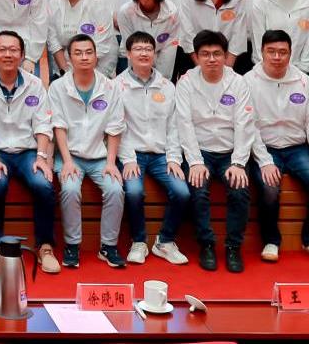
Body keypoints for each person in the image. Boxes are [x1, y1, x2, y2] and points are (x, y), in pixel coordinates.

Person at [0, 30, 61, 273]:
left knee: (43, 184)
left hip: (27, 151)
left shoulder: (34, 84)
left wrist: (41, 157)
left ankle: (45, 247)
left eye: (13, 50)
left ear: (22, 55)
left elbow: (43, 123)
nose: (7, 54)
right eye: (2, 50)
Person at [245, 30, 309, 264]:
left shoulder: (304, 81)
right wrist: (264, 161)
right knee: (269, 188)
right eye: (271, 51)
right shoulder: (248, 82)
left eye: (282, 52)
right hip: (264, 147)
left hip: (296, 148)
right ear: (261, 52)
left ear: (290, 54)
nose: (277, 57)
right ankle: (271, 241)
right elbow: (248, 126)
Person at [173, 31, 254, 272]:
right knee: (198, 190)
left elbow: (245, 124)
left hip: (231, 151)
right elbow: (184, 123)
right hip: (200, 151)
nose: (211, 59)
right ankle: (206, 245)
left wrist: (238, 162)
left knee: (240, 190)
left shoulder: (238, 82)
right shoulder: (186, 82)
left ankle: (233, 247)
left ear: (225, 56)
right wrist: (195, 161)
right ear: (196, 57)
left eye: (217, 54)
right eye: (205, 54)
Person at [49, 34, 127, 269]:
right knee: (70, 189)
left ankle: (108, 246)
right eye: (78, 53)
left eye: (88, 52)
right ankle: (72, 245)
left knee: (115, 189)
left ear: (96, 56)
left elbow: (115, 128)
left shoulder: (110, 87)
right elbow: (58, 126)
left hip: (100, 156)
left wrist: (111, 162)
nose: (84, 57)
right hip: (69, 155)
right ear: (69, 58)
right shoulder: (58, 87)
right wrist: (67, 161)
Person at [115, 31, 192, 266]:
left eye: (148, 49)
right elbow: (117, 127)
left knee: (182, 192)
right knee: (134, 191)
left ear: (155, 54)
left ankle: (165, 242)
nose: (144, 53)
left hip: (161, 155)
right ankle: (139, 241)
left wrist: (174, 159)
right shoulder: (116, 86)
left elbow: (174, 126)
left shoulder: (167, 86)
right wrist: (128, 159)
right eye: (138, 49)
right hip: (132, 154)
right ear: (128, 54)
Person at [176, 0, 249, 76]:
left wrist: (227, 69)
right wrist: (202, 66)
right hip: (195, 59)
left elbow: (239, 33)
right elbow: (187, 33)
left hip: (230, 59)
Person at [45, 0, 115, 79]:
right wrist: (66, 72)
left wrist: (82, 74)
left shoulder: (97, 2)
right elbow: (53, 40)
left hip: (98, 64)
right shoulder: (55, 1)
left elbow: (102, 44)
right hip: (65, 64)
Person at [115, 0, 182, 78]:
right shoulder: (125, 12)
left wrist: (162, 79)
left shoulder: (172, 12)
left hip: (161, 53)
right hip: (131, 56)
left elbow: (169, 48)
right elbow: (130, 44)